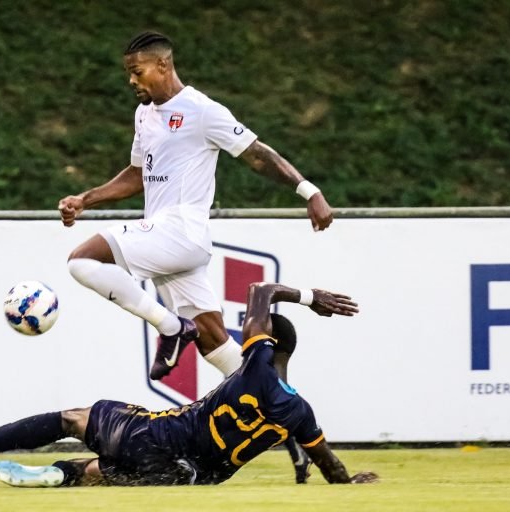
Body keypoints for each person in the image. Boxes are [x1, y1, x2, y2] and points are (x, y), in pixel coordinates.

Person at [57, 31, 335, 382]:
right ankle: (281, 412)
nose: (131, 80)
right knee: (214, 342)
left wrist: (309, 191)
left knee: (81, 261)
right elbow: (137, 175)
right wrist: (86, 199)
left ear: (163, 64)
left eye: (137, 71)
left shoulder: (202, 111)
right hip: (164, 238)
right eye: (128, 72)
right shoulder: (144, 115)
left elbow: (258, 155)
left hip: (180, 231)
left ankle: (171, 329)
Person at [0, 282, 378, 487]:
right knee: (100, 473)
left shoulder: (254, 367)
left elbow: (260, 291)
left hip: (157, 437)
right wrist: (349, 480)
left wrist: (307, 297)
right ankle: (67, 474)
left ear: (267, 342)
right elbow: (330, 466)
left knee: (72, 418)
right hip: (194, 478)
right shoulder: (300, 413)